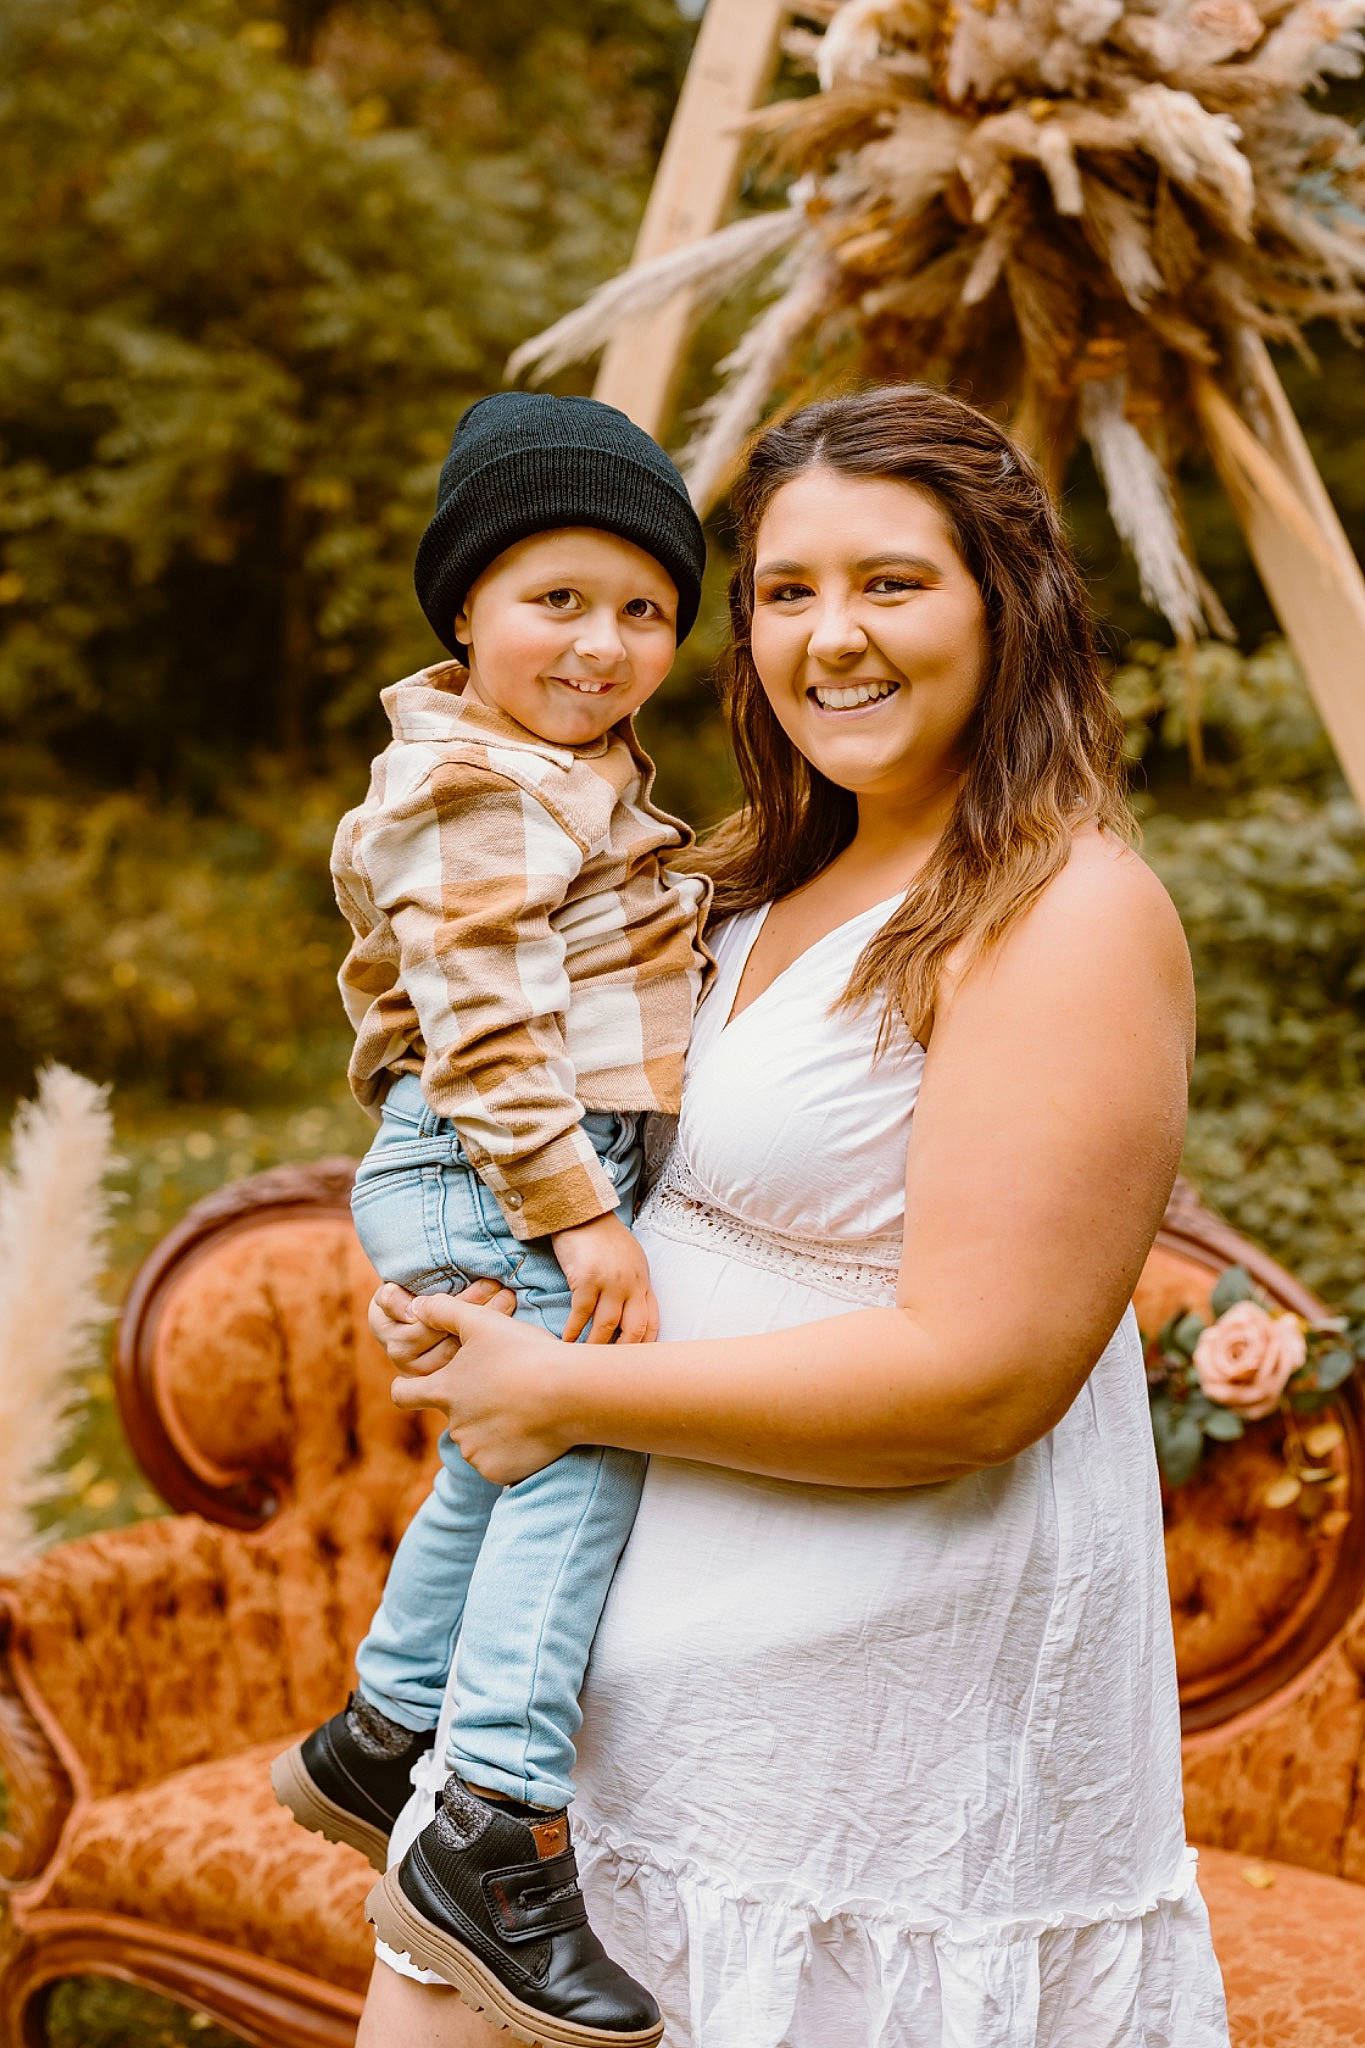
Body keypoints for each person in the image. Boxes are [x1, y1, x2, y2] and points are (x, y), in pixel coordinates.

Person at [356, 383, 1230, 2048]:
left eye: (891, 582)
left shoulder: (1067, 916)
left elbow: (981, 1379)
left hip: (857, 1726)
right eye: (783, 590)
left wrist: (562, 1394)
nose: (832, 637)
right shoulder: (740, 871)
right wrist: (476, 1279)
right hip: (601, 1696)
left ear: (1010, 601)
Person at [272, 392, 713, 2048]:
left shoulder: (555, 770)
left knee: (498, 1453)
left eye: (644, 609)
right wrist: (578, 1214)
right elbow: (485, 1034)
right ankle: (494, 1827)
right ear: (464, 608)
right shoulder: (474, 783)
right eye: (557, 599)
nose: (602, 644)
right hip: (499, 1157)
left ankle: (378, 1732)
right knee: (578, 1448)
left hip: (493, 1160)